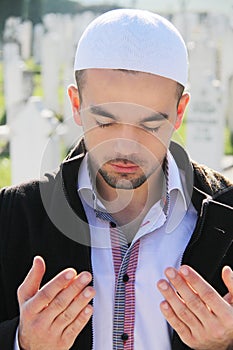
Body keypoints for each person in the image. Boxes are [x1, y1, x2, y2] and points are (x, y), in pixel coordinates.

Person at [0, 8, 233, 350]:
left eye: (150, 125)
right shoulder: (10, 215)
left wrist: (226, 342)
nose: (125, 145)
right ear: (76, 104)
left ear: (180, 111)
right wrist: (21, 342)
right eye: (106, 122)